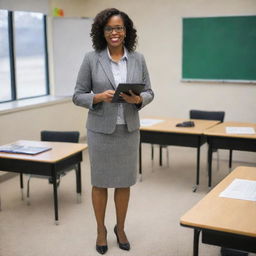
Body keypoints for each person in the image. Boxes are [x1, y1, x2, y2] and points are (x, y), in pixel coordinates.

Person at [73, 8, 154, 254]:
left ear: (126, 31)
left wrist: (138, 101)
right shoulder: (91, 58)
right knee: (100, 184)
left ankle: (120, 228)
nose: (114, 32)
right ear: (102, 32)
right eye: (109, 28)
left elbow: (150, 91)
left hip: (128, 131)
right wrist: (97, 97)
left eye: (119, 28)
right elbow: (77, 95)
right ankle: (101, 230)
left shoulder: (138, 59)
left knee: (123, 184)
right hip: (100, 132)